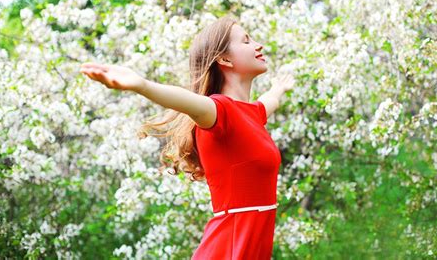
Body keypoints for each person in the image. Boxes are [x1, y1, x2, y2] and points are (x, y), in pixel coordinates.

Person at [80, 15, 295, 259]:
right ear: (224, 59)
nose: (258, 45)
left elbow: (270, 100)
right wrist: (142, 85)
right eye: (246, 41)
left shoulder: (253, 113)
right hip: (228, 249)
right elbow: (188, 101)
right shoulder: (219, 111)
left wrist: (280, 87)